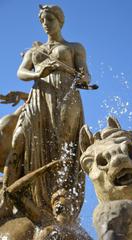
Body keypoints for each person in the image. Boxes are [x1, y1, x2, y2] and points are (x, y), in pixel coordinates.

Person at [2, 5, 90, 217]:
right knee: (22, 140)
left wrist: (83, 79)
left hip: (66, 96)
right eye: (43, 20)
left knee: (64, 145)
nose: (45, 24)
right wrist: (38, 73)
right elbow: (21, 72)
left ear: (60, 21)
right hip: (39, 97)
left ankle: (61, 196)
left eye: (50, 19)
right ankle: (10, 196)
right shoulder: (35, 51)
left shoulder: (74, 47)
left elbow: (86, 75)